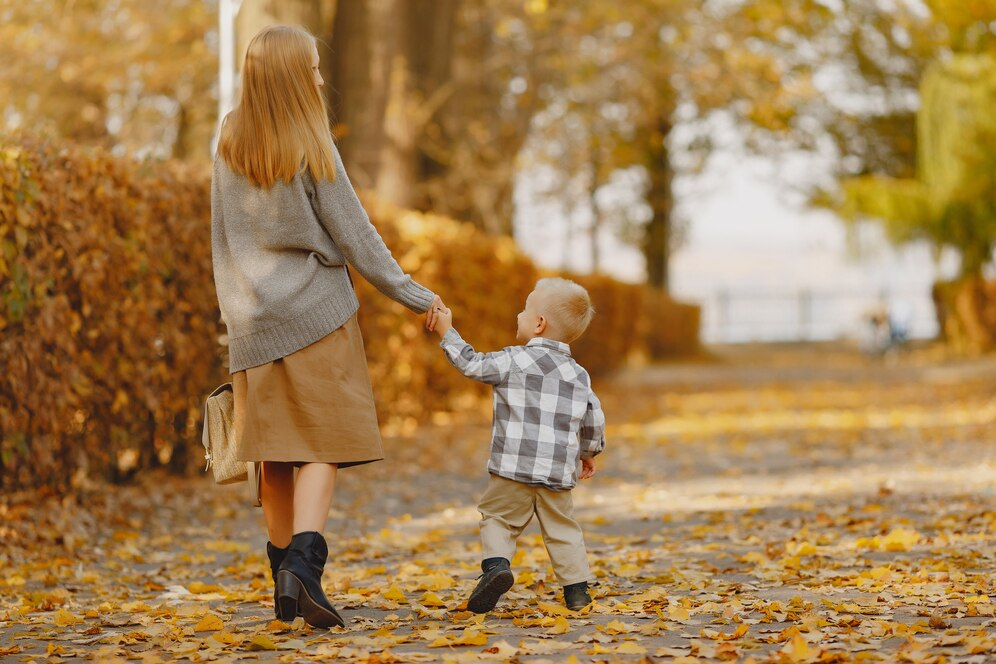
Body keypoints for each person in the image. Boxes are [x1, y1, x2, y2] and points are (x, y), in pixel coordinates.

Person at [210, 25, 444, 628]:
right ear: (292, 75)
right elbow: (356, 235)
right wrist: (414, 295)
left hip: (254, 322)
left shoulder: (230, 138)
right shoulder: (311, 139)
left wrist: (234, 316)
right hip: (316, 313)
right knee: (323, 442)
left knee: (274, 453)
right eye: (312, 68)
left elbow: (222, 237)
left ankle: (282, 578)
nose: (320, 78)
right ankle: (304, 567)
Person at [431, 277, 606, 613]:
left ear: (539, 324)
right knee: (562, 529)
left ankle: (496, 567)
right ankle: (577, 591)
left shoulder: (512, 361)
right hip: (556, 473)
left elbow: (472, 364)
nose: (519, 313)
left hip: (512, 468)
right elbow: (593, 418)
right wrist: (588, 452)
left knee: (497, 517)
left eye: (525, 309)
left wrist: (446, 331)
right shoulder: (579, 375)